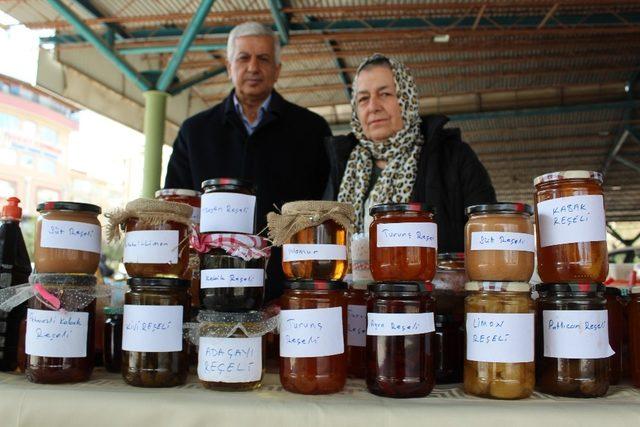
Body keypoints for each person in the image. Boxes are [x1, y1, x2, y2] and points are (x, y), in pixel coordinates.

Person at [164, 22, 332, 301]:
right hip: (210, 284)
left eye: (263, 58)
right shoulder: (195, 132)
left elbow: (325, 211)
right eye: (243, 58)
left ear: (277, 69)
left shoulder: (312, 130)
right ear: (229, 66)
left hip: (289, 289)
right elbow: (176, 209)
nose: (253, 67)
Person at [325, 53, 496, 252]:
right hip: (354, 283)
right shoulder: (344, 165)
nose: (373, 107)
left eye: (385, 94)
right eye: (363, 98)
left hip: (435, 282)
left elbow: (487, 233)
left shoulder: (453, 157)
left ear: (406, 98)